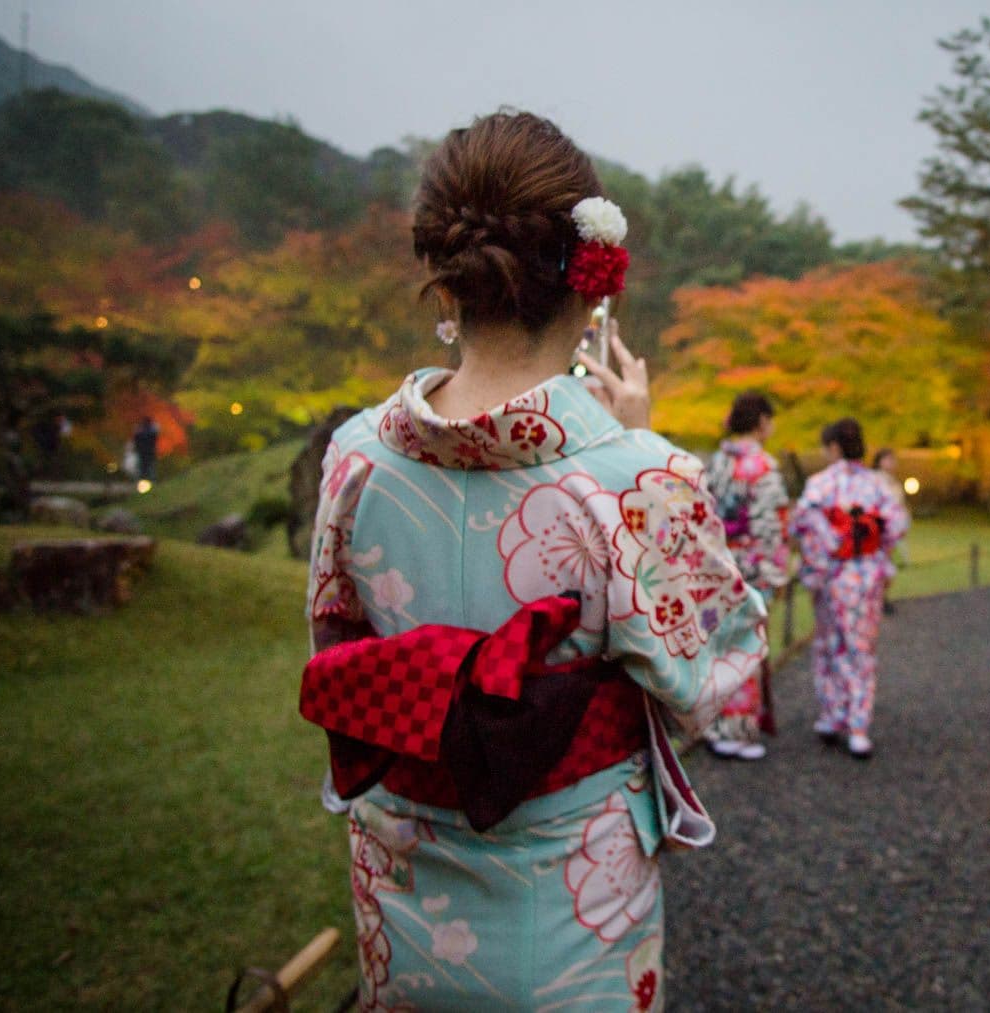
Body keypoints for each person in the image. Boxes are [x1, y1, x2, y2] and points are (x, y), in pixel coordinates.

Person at [299, 111, 765, 1012]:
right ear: (595, 289)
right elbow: (711, 677)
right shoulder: (641, 475)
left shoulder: (356, 456)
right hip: (574, 890)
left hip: (402, 879)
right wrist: (636, 455)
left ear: (445, 287)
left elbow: (336, 652)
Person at [790, 418, 908, 759]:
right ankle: (858, 726)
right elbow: (896, 526)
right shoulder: (879, 485)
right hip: (867, 577)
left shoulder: (820, 484)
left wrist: (823, 553)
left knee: (829, 644)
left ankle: (832, 715)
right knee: (861, 647)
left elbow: (803, 526)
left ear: (834, 447)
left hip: (830, 576)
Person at [701, 391, 789, 761]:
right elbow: (772, 526)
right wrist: (775, 573)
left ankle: (714, 724)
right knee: (746, 648)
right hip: (751, 566)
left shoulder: (713, 464)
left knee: (717, 647)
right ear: (762, 423)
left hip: (714, 564)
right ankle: (738, 731)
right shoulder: (763, 467)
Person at [871, 448, 909, 615]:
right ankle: (878, 599)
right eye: (887, 459)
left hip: (893, 530)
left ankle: (882, 598)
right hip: (879, 530)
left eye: (893, 459)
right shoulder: (876, 480)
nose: (891, 463)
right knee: (880, 567)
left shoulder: (894, 482)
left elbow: (900, 506)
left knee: (889, 566)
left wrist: (903, 524)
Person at [132, 416, 159, 481]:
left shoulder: (142, 431)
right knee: (146, 467)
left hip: (146, 451)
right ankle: (146, 479)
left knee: (147, 467)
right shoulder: (148, 431)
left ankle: (147, 479)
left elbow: (136, 439)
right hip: (146, 452)